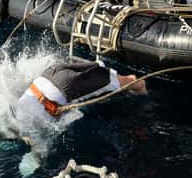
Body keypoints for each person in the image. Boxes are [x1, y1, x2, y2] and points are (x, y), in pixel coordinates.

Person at [15, 60, 147, 144]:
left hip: (67, 87)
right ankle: (107, 73)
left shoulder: (32, 132)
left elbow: (40, 151)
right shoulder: (15, 113)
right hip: (49, 74)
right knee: (95, 69)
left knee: (134, 83)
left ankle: (140, 89)